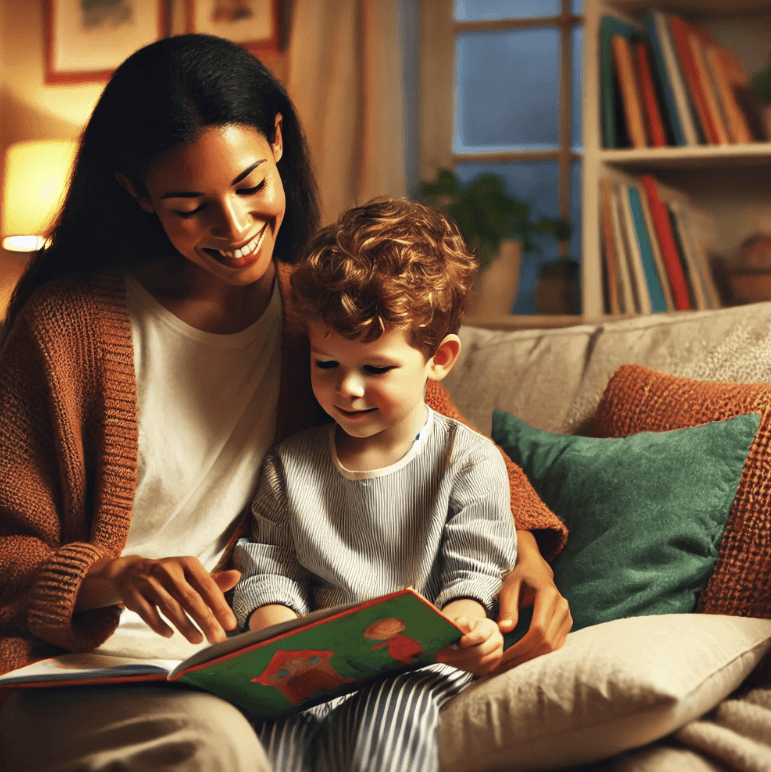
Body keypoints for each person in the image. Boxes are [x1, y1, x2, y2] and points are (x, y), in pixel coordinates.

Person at [0, 33, 569, 772]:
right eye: (188, 205)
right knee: (215, 745)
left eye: (248, 185)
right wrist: (112, 575)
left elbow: (438, 436)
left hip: (241, 662)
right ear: (137, 194)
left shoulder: (323, 315)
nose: (234, 228)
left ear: (276, 141)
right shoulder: (66, 328)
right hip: (79, 674)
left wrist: (527, 561)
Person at [233, 197, 518, 772]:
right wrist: (275, 639)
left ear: (438, 359)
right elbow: (269, 571)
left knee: (385, 720)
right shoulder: (289, 466)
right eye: (327, 365)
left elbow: (474, 573)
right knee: (265, 734)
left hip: (419, 670)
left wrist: (468, 621)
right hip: (314, 670)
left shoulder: (469, 463)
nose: (349, 390)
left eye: (376, 368)